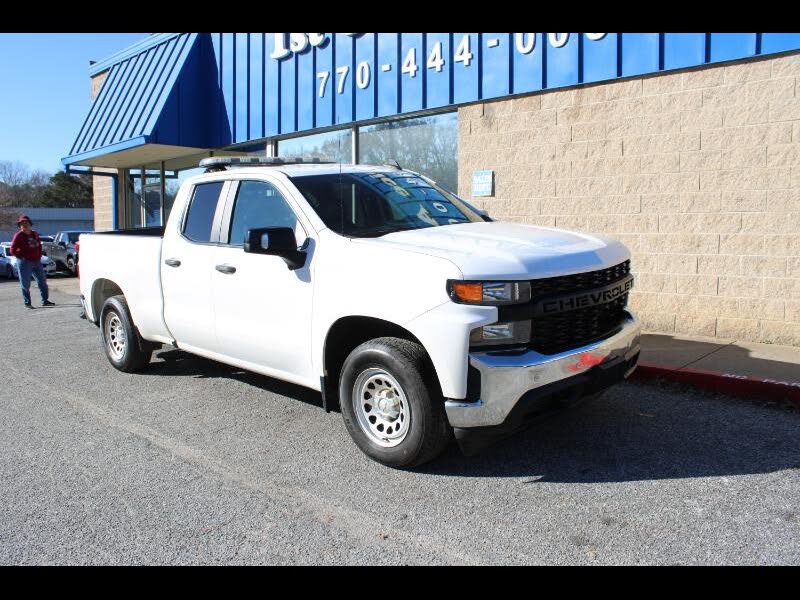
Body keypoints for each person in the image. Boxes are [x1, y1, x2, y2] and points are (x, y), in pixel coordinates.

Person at [10, 215, 54, 309]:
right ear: (20, 226)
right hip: (25, 262)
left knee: (42, 281)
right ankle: (27, 302)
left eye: (26, 223)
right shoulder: (18, 235)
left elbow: (39, 246)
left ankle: (45, 301)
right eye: (22, 224)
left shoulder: (35, 234)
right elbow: (12, 249)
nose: (25, 225)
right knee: (25, 283)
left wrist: (39, 255)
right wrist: (21, 257)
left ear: (30, 224)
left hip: (36, 261)